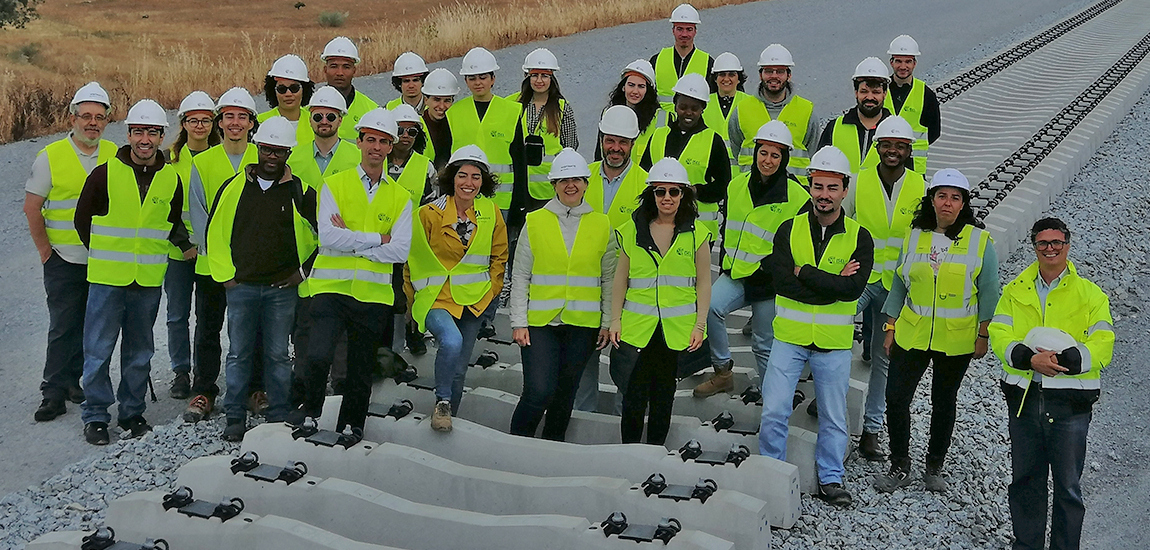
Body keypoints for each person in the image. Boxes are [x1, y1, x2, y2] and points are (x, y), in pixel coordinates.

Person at [759, 146, 874, 507]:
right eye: (818, 186)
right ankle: (771, 471)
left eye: (832, 188)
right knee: (774, 409)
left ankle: (831, 477)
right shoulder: (787, 230)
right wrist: (829, 283)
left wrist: (804, 273)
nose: (824, 195)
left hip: (833, 342)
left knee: (834, 415)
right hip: (789, 338)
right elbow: (779, 281)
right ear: (810, 186)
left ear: (844, 189)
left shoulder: (860, 237)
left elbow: (852, 289)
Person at [989, 217, 1114, 550]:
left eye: (1056, 243)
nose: (1050, 249)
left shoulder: (1090, 294)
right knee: (1026, 481)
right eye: (1043, 243)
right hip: (1025, 400)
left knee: (1068, 487)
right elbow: (1000, 335)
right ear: (1034, 247)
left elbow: (1104, 343)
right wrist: (1029, 359)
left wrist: (1064, 362)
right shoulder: (1015, 290)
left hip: (1070, 405)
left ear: (1067, 245)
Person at [74, 100, 194, 445]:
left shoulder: (171, 178)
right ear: (128, 134)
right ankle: (96, 416)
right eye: (139, 131)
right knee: (97, 351)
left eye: (152, 132)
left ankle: (131, 413)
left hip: (148, 281)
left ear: (161, 136)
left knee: (139, 352)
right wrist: (104, 257)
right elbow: (83, 223)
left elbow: (170, 224)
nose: (145, 139)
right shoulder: (105, 174)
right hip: (107, 279)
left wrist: (186, 246)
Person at [874, 169, 1000, 493]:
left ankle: (934, 464)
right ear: (931, 200)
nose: (947, 203)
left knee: (944, 401)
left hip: (956, 339)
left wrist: (983, 335)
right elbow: (899, 285)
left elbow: (989, 292)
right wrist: (890, 326)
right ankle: (900, 464)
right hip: (912, 333)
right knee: (896, 397)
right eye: (941, 196)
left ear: (964, 204)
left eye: (955, 198)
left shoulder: (980, 241)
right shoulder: (914, 235)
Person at [291, 108, 411, 432]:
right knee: (317, 357)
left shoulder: (401, 197)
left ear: (390, 146)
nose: (376, 146)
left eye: (383, 141)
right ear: (358, 142)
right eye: (370, 139)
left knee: (360, 372)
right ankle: (311, 414)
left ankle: (351, 428)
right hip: (331, 290)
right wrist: (376, 241)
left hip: (373, 296)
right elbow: (328, 236)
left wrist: (352, 241)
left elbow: (401, 249)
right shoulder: (334, 185)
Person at [206, 116, 318, 441]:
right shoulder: (233, 188)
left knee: (278, 354)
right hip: (241, 287)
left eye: (279, 151)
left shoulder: (301, 192)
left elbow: (326, 236)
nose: (272, 157)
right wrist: (227, 277)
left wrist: (303, 271)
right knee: (239, 353)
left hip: (282, 289)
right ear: (257, 147)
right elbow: (214, 233)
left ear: (288, 153)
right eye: (267, 149)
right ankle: (235, 417)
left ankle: (279, 415)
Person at [692, 121, 810, 397]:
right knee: (709, 308)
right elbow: (727, 229)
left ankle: (773, 398)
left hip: (771, 284)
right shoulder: (736, 186)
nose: (767, 161)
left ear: (784, 159)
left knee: (763, 343)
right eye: (763, 153)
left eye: (775, 155)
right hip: (738, 275)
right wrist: (726, 266)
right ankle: (723, 372)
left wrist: (771, 271)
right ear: (756, 152)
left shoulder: (798, 198)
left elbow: (799, 247)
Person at [24, 82, 116, 421]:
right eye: (86, 116)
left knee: (92, 325)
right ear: (72, 118)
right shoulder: (50, 157)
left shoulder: (114, 155)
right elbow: (32, 207)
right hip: (63, 258)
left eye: (99, 117)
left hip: (103, 259)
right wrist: (45, 251)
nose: (92, 123)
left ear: (107, 120)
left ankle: (76, 381)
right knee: (63, 324)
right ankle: (53, 391)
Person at [509, 148, 615, 440]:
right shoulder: (535, 221)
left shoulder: (602, 224)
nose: (571, 185)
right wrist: (518, 322)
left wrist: (607, 322)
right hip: (541, 323)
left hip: (582, 323)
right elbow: (520, 275)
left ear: (586, 183)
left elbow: (608, 278)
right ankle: (517, 443)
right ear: (554, 184)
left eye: (578, 179)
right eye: (564, 180)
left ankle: (551, 447)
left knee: (565, 394)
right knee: (538, 390)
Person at [404, 145, 508, 431]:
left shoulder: (491, 212)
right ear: (452, 178)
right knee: (451, 342)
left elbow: (499, 257)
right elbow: (411, 262)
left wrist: (492, 291)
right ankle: (442, 401)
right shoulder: (427, 214)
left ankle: (450, 419)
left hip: (474, 300)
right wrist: (411, 308)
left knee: (460, 368)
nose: (469, 183)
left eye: (476, 177)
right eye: (463, 175)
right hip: (436, 297)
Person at [609, 158, 711, 445]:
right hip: (636, 328)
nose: (667, 197)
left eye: (674, 191)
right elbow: (620, 280)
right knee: (633, 397)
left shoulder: (697, 234)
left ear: (683, 195)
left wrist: (699, 325)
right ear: (651, 194)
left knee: (663, 399)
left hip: (674, 331)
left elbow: (704, 282)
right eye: (660, 191)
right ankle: (629, 454)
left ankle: (653, 455)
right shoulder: (632, 230)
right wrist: (614, 320)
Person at [841, 115, 925, 461]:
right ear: (877, 148)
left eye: (899, 146)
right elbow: (839, 223)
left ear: (908, 150)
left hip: (897, 288)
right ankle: (827, 392)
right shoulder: (859, 183)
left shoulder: (920, 186)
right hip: (862, 279)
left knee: (883, 358)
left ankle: (872, 431)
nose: (893, 151)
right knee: (832, 329)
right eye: (887, 145)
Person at [184, 87, 264, 424]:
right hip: (211, 265)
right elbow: (198, 217)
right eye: (228, 116)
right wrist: (220, 257)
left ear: (251, 123)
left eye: (241, 116)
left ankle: (253, 389)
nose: (234, 122)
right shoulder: (201, 163)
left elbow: (266, 217)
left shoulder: (263, 159)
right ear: (220, 123)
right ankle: (203, 391)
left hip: (251, 265)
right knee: (207, 329)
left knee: (251, 329)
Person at [573, 106, 650, 413]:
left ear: (633, 144)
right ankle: (583, 419)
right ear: (601, 138)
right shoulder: (580, 179)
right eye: (610, 140)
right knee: (582, 363)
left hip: (629, 289)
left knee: (628, 364)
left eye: (623, 142)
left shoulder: (647, 186)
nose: (615, 148)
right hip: (584, 286)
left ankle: (626, 427)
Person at [166, 91, 221, 400]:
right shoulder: (169, 161)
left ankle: (203, 373)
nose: (199, 125)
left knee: (206, 317)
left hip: (212, 252)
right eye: (193, 120)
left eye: (205, 119)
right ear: (183, 123)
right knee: (177, 314)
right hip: (179, 251)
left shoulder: (221, 156)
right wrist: (184, 243)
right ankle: (180, 371)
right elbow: (165, 209)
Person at [640, 73, 731, 238]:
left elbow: (723, 184)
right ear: (675, 105)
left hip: (698, 228)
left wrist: (696, 191)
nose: (688, 113)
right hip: (658, 224)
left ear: (703, 108)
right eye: (683, 107)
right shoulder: (658, 136)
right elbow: (642, 175)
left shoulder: (713, 141)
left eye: (694, 108)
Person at [729, 44, 819, 184]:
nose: (774, 76)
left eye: (780, 71)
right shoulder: (742, 110)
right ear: (761, 74)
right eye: (769, 71)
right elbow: (736, 148)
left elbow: (812, 151)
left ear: (789, 75)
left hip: (795, 192)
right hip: (752, 189)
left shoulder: (806, 111)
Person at [448, 47, 521, 215]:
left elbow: (519, 159)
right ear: (466, 81)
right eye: (472, 78)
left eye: (483, 77)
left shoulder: (511, 111)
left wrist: (519, 201)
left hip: (502, 200)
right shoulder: (454, 112)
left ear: (493, 79)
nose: (478, 82)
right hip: (463, 199)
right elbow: (446, 156)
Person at [513, 48, 579, 209]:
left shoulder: (562, 108)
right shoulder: (513, 105)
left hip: (549, 188)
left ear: (552, 78)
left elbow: (570, 147)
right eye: (534, 75)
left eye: (545, 76)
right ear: (527, 77)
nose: (539, 80)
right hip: (519, 184)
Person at [817, 57, 893, 176]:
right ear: (856, 92)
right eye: (864, 91)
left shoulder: (895, 132)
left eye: (876, 92)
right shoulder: (834, 128)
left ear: (885, 94)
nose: (869, 97)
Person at [286, 85, 360, 191]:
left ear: (340, 120)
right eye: (318, 117)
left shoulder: (359, 157)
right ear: (310, 120)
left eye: (330, 117)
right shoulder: (292, 158)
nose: (324, 122)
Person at [885, 35, 941, 173]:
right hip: (882, 164)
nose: (903, 67)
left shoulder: (926, 94)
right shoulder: (879, 91)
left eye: (908, 62)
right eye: (898, 61)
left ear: (914, 63)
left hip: (913, 166)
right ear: (891, 62)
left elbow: (934, 131)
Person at [650, 3, 713, 113]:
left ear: (695, 31)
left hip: (692, 124)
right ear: (673, 30)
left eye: (689, 29)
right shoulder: (657, 60)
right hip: (661, 126)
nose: (684, 34)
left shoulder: (708, 62)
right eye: (680, 29)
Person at [599, 59, 661, 165]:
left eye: (641, 86)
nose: (635, 91)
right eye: (631, 85)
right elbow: (599, 153)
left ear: (648, 91)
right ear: (623, 87)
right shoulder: (608, 113)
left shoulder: (660, 118)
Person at [321, 36, 380, 140]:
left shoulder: (371, 110)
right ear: (325, 70)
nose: (340, 73)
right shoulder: (309, 108)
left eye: (346, 67)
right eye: (334, 66)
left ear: (354, 70)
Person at [702, 52, 751, 174]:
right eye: (722, 75)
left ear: (738, 78)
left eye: (732, 75)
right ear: (715, 78)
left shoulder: (750, 104)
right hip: (711, 171)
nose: (726, 79)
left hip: (742, 173)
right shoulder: (704, 103)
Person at [259, 54, 315, 144]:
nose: (288, 94)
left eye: (294, 88)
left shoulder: (316, 121)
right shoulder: (260, 122)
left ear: (304, 90)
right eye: (281, 89)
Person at [389, 104, 437, 205]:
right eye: (400, 130)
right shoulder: (377, 160)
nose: (406, 135)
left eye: (412, 132)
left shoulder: (427, 167)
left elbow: (432, 206)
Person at [421, 68, 459, 171]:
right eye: (437, 99)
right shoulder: (416, 126)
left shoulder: (458, 124)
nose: (442, 106)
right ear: (426, 100)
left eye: (447, 100)